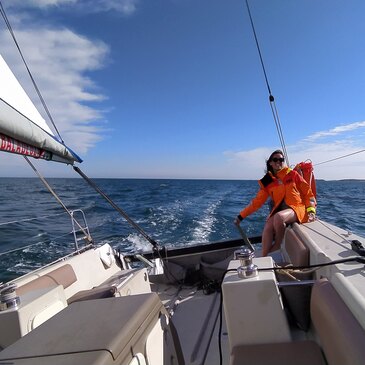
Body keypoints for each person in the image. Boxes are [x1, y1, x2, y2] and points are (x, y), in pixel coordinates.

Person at [234, 150, 316, 257]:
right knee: (268, 226)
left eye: (281, 160)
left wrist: (311, 210)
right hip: (282, 210)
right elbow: (256, 202)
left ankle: (277, 246)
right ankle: (264, 256)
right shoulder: (267, 180)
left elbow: (308, 193)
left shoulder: (292, 174)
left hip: (297, 208)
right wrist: (240, 217)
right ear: (270, 163)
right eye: (275, 159)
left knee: (278, 217)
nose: (279, 162)